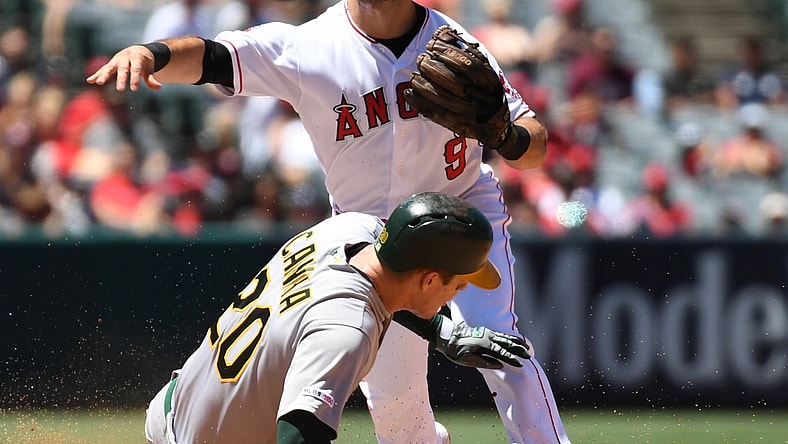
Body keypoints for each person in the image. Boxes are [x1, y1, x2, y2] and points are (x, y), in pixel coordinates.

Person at [87, 1, 570, 443]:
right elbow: (215, 57)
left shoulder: (454, 42)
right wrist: (152, 54)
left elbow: (536, 145)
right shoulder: (309, 46)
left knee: (501, 346)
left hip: (461, 213)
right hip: (369, 237)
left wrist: (506, 137)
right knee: (397, 410)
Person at [143, 191, 529, 443]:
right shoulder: (347, 331)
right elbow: (298, 436)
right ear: (429, 279)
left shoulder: (349, 228)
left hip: (175, 406)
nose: (459, 293)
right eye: (458, 284)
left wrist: (442, 331)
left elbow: (384, 280)